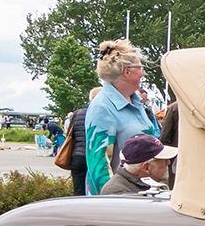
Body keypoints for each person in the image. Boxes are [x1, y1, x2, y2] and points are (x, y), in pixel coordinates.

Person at [84, 38, 159, 195]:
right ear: (127, 71)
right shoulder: (102, 108)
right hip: (118, 199)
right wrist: (113, 200)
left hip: (139, 192)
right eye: (140, 68)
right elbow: (99, 164)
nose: (143, 73)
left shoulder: (136, 103)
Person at [100, 133, 177, 195]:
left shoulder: (153, 182)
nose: (168, 162)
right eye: (163, 160)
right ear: (146, 167)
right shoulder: (116, 192)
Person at [66, 86, 100, 196]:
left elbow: (70, 135)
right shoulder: (102, 114)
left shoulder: (78, 113)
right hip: (95, 157)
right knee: (97, 191)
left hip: (77, 156)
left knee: (78, 192)